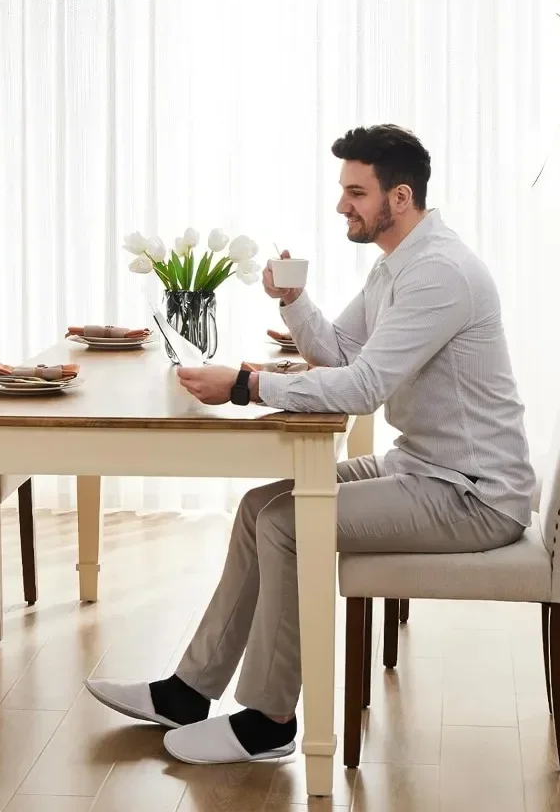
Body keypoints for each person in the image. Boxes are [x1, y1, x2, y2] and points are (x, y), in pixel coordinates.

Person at [84, 124, 536, 766]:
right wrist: (294, 301)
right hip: (424, 467)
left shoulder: (438, 273)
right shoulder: (400, 263)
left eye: (356, 192)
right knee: (256, 511)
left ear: (399, 197)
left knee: (289, 525)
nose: (342, 206)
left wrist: (245, 385)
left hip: (472, 494)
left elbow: (362, 388)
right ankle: (188, 692)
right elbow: (346, 353)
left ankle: (269, 722)